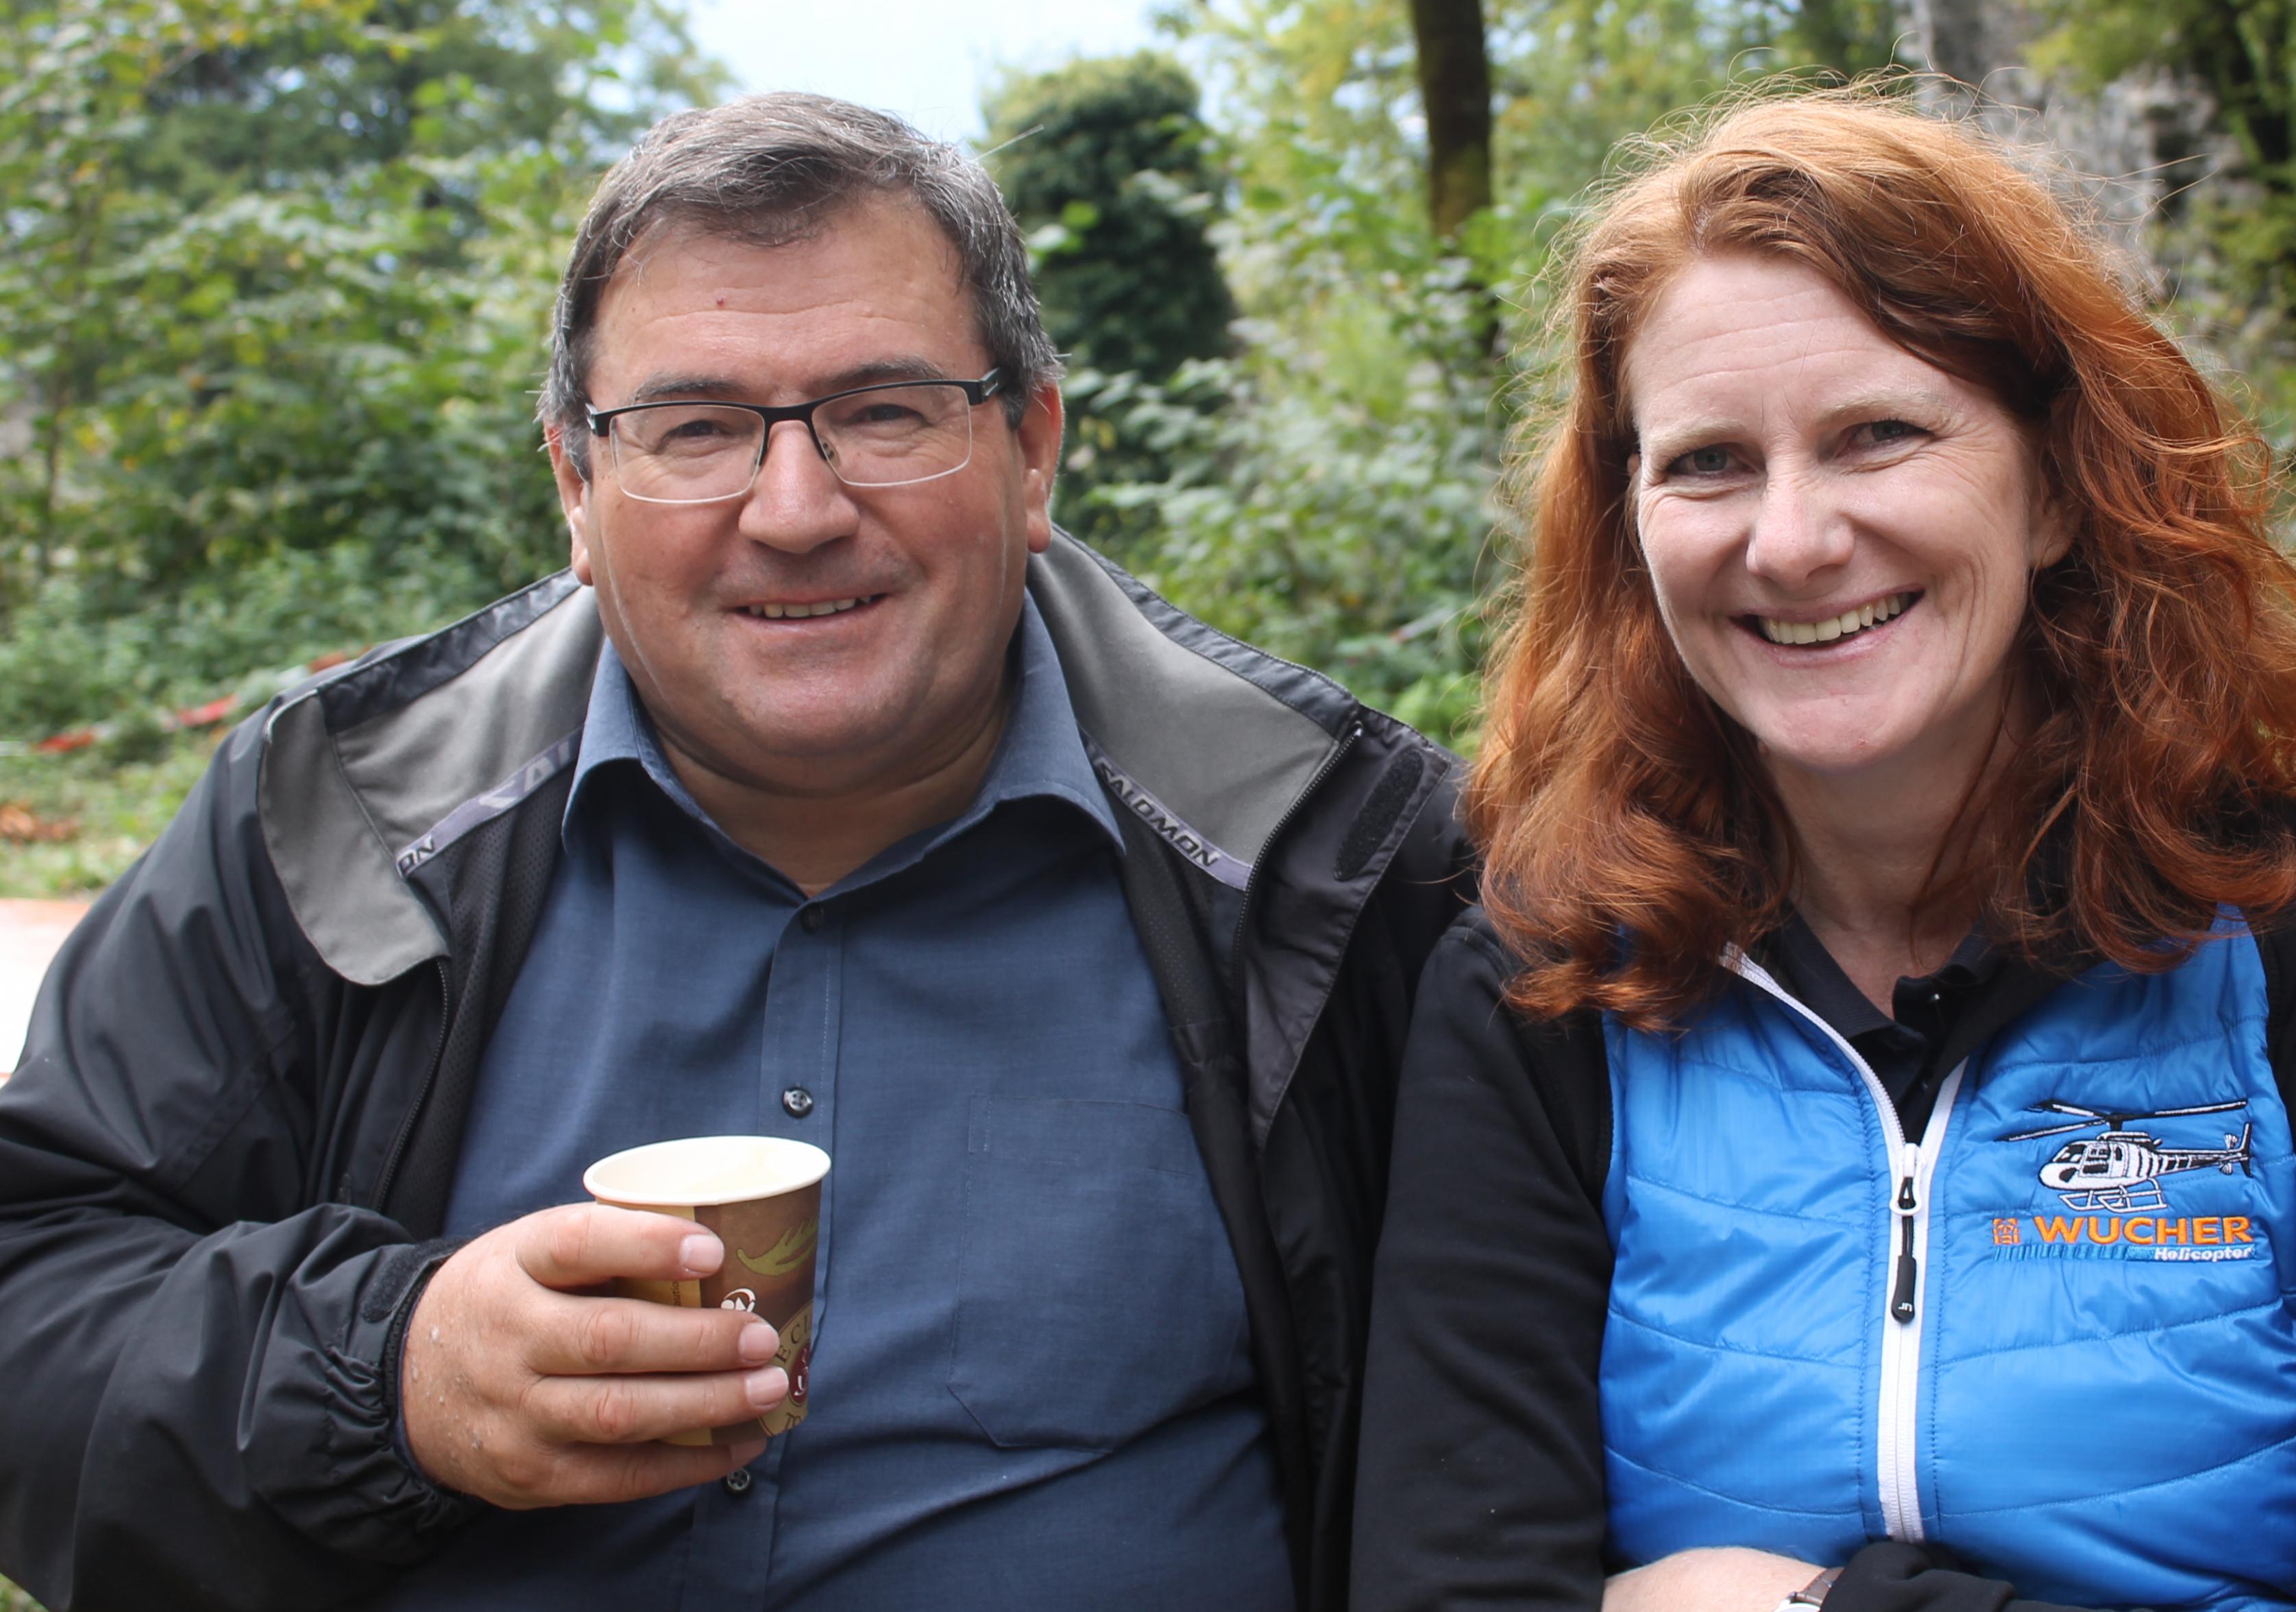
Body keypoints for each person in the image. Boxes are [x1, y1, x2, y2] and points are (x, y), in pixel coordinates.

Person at [0, 93, 1469, 1612]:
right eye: (694, 427)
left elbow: (1519, 1429)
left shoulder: (1335, 857)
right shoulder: (334, 822)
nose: (795, 509)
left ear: (1031, 451)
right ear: (576, 487)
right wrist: (389, 1379)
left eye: (886, 410)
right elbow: (32, 1289)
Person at [1350, 92, 2296, 1612]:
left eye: (1877, 435)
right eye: (1707, 463)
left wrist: (1809, 1609)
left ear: (2056, 489)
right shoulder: (1547, 992)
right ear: (1630, 529)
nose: (1791, 539)